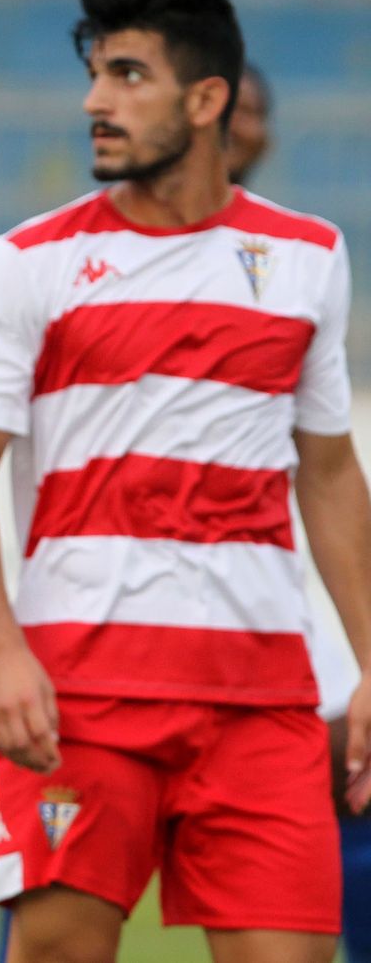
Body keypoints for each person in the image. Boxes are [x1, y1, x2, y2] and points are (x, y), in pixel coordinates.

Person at [0, 0, 371, 963]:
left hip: (261, 701)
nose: (96, 100)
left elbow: (331, 471)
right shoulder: (29, 262)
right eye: (95, 74)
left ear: (206, 99)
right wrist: (0, 650)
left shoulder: (309, 259)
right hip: (83, 697)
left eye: (128, 74)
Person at [223, 60, 371, 963]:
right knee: (60, 910)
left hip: (289, 658)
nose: (233, 126)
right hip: (129, 653)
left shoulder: (298, 267)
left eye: (250, 111)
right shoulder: (66, 262)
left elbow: (329, 469)